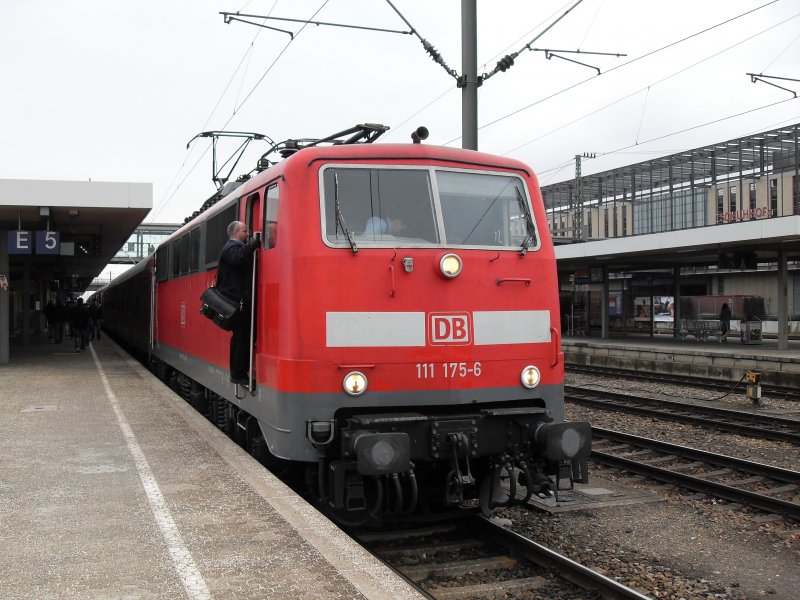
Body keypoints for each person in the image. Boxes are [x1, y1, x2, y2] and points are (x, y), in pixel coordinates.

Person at [217, 221, 260, 385]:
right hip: (237, 303)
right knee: (241, 339)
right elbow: (238, 259)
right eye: (244, 231)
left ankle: (241, 372)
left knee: (242, 338)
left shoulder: (231, 247)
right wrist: (253, 245)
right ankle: (238, 374)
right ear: (235, 233)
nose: (247, 233)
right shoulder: (230, 248)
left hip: (238, 301)